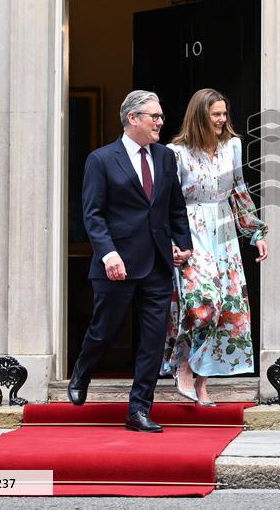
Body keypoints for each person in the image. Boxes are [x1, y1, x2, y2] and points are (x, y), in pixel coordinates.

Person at [68, 90, 193, 433]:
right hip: (116, 263)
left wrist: (184, 245)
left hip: (156, 263)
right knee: (105, 330)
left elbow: (175, 207)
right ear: (132, 119)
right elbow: (92, 214)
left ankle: (139, 409)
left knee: (153, 339)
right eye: (154, 116)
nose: (160, 122)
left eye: (161, 116)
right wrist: (108, 254)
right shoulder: (102, 159)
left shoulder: (166, 157)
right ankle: (82, 370)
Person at [162, 88, 268, 406]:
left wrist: (256, 233)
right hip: (190, 229)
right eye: (216, 115)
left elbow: (238, 190)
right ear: (199, 117)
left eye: (224, 113)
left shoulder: (232, 146)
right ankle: (183, 365)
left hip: (223, 231)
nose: (222, 120)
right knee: (200, 302)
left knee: (225, 308)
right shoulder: (176, 153)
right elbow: (166, 201)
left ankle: (202, 381)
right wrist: (169, 242)